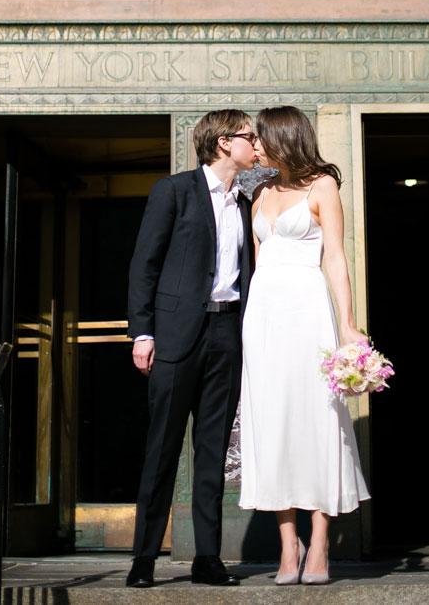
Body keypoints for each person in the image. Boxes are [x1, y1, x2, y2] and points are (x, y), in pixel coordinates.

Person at [126, 110, 257, 588]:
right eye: (249, 136)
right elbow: (145, 263)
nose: (255, 144)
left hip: (227, 335)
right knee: (161, 449)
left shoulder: (245, 202)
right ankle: (143, 560)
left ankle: (208, 558)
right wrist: (142, 332)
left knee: (213, 452)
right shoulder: (174, 191)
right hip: (176, 335)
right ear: (224, 143)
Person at [239, 106, 370, 585]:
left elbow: (334, 257)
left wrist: (349, 323)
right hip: (264, 320)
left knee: (316, 422)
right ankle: (286, 548)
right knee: (271, 426)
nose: (254, 146)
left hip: (307, 314)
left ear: (283, 138)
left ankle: (318, 543)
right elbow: (256, 268)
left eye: (260, 138)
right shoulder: (260, 191)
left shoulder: (322, 186)